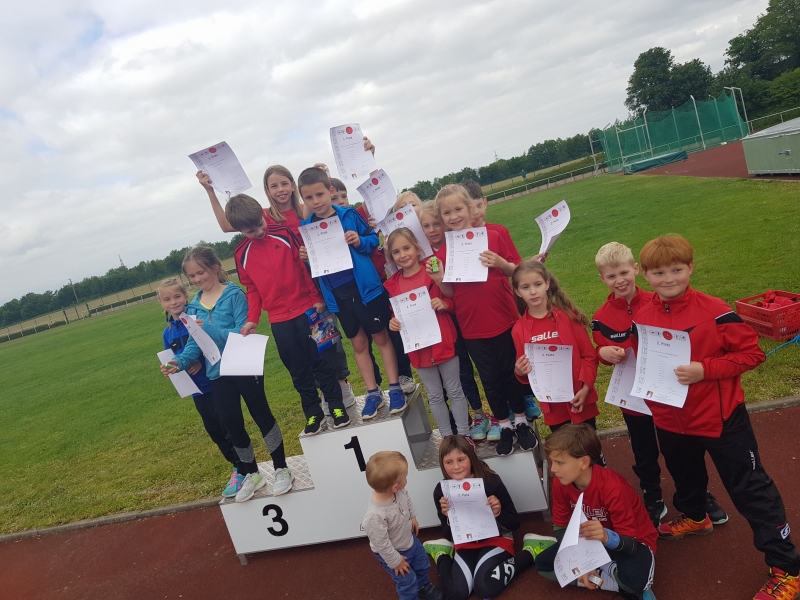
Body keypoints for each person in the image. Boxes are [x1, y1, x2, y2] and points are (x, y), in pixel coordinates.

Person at [633, 234, 800, 600]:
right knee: (685, 476)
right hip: (670, 419)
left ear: (690, 267)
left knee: (751, 490)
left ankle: (787, 568)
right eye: (659, 273)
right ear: (645, 274)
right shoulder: (642, 315)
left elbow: (752, 354)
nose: (669, 279)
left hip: (721, 419)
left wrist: (704, 370)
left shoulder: (715, 311)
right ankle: (696, 516)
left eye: (676, 270)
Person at [591, 242, 727, 528]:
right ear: (602, 278)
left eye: (624, 272)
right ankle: (652, 495)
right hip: (633, 397)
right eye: (612, 276)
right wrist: (603, 353)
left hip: (668, 394)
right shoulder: (601, 317)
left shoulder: (659, 301)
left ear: (636, 270)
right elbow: (600, 350)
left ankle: (698, 497)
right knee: (644, 451)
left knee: (682, 451)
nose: (620, 280)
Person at [161, 246, 292, 502]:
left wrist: (208, 328)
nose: (197, 279)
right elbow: (194, 344)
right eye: (192, 276)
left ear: (215, 267)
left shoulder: (234, 295)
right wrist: (179, 362)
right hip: (217, 372)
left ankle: (281, 468)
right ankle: (252, 473)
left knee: (262, 415)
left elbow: (242, 332)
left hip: (243, 365)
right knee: (232, 424)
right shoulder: (193, 307)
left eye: (201, 272)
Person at [225, 194, 353, 434]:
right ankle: (313, 412)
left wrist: (315, 298)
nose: (259, 232)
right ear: (239, 230)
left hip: (307, 310)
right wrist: (252, 319)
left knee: (322, 362)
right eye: (251, 231)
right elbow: (251, 288)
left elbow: (304, 267)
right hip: (279, 319)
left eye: (260, 225)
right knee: (298, 369)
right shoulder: (241, 252)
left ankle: (336, 406)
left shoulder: (284, 234)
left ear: (263, 214)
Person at [427, 185, 535, 456]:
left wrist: (500, 263)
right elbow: (451, 294)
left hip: (504, 319)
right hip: (472, 327)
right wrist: (439, 279)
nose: (454, 216)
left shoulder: (494, 236)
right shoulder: (443, 254)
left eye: (458, 209)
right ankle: (504, 424)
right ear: (441, 218)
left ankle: (521, 421)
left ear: (470, 208)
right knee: (490, 378)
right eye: (447, 213)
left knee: (512, 373)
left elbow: (517, 272)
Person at [297, 167, 407, 419]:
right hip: (339, 296)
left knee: (381, 338)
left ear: (330, 191)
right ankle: (372, 393)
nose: (316, 201)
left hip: (365, 290)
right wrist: (307, 259)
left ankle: (395, 388)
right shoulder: (308, 227)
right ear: (303, 200)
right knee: (358, 344)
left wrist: (359, 241)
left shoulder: (349, 215)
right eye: (309, 198)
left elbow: (373, 241)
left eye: (320, 194)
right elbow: (316, 268)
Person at [535, 424, 657, 600]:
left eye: (560, 462)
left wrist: (606, 537)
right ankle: (617, 581)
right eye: (552, 461)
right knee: (543, 565)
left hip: (630, 542)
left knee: (636, 578)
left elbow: (630, 545)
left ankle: (611, 574)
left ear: (584, 462)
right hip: (589, 541)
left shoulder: (614, 488)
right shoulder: (560, 483)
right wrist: (581, 561)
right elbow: (560, 528)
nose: (553, 469)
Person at [423, 435, 549, 599]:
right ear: (442, 464)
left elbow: (514, 523)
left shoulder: (491, 481)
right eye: (449, 462)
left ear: (471, 457)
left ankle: (531, 551)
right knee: (456, 594)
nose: (456, 467)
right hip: (465, 543)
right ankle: (442, 553)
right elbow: (448, 534)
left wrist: (498, 512)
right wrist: (448, 517)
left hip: (497, 540)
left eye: (461, 459)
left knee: (484, 587)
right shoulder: (441, 491)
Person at [460, 179, 542, 424]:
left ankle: (525, 399)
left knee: (513, 361)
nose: (474, 212)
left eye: (477, 205)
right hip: (476, 323)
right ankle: (504, 413)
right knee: (492, 372)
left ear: (484, 203)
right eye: (468, 207)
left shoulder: (497, 232)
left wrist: (502, 263)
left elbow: (515, 269)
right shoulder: (454, 241)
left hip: (503, 312)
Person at [156, 277, 243, 498]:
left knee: (228, 427)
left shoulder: (196, 319)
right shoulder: (168, 332)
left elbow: (211, 345)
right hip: (196, 390)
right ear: (161, 303)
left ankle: (243, 468)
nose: (173, 302)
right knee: (214, 431)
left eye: (177, 296)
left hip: (214, 383)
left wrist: (197, 360)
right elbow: (173, 359)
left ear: (186, 296)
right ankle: (236, 465)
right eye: (167, 299)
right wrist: (168, 369)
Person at [383, 228, 470, 437]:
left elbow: (453, 300)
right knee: (435, 395)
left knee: (455, 390)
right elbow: (396, 313)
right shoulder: (393, 284)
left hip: (443, 341)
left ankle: (464, 435)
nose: (403, 255)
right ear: (391, 256)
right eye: (396, 252)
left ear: (417, 248)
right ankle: (447, 437)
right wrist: (393, 323)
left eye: (407, 248)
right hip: (418, 349)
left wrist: (444, 304)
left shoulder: (431, 270)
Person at [511, 260, 601, 433]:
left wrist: (586, 388)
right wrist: (519, 371)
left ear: (547, 284)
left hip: (580, 396)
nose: (533, 291)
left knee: (589, 445)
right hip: (553, 405)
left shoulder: (568, 317)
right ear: (517, 291)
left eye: (537, 284)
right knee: (563, 447)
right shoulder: (518, 330)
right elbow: (526, 370)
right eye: (525, 287)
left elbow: (589, 356)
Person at [362, 451, 443, 600]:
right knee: (407, 581)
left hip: (409, 540)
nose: (407, 479)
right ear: (394, 487)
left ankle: (423, 587)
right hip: (393, 552)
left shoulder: (399, 491)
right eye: (405, 477)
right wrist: (395, 562)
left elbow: (407, 499)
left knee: (422, 565)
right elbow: (381, 544)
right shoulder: (375, 515)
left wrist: (413, 517)